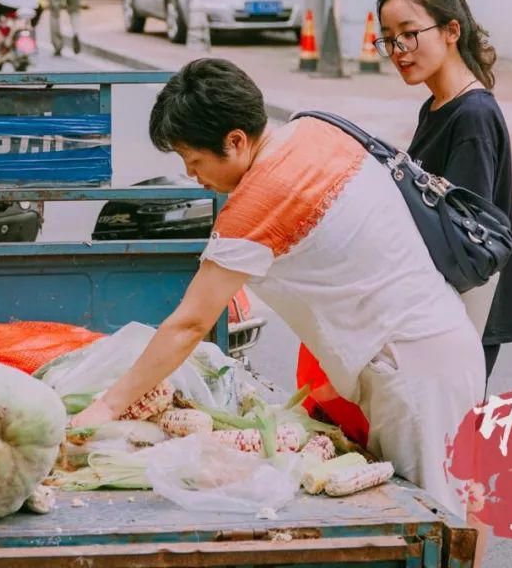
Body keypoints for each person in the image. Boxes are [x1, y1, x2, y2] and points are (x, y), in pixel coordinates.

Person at [70, 58, 485, 525]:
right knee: (451, 509)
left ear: (235, 141)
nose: (193, 176)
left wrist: (106, 406)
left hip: (415, 375)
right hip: (438, 346)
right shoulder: (315, 131)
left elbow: (188, 324)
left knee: (432, 524)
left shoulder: (260, 202)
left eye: (196, 161)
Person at [377, 0, 512, 381]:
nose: (398, 50)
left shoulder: (472, 116)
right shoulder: (439, 106)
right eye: (388, 38)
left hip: (461, 321)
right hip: (439, 315)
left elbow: (463, 242)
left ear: (451, 30)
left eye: (408, 33)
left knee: (445, 443)